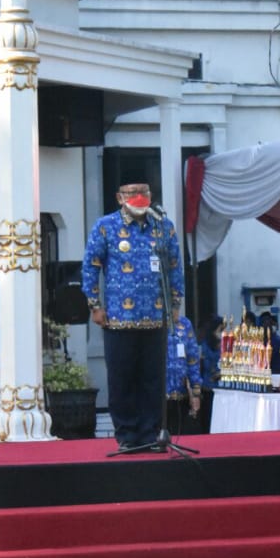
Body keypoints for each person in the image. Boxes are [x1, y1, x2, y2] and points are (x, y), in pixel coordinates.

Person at [81, 182, 184, 450]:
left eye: (145, 194)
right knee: (122, 378)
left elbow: (174, 265)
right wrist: (95, 304)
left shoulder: (163, 226)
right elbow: (91, 266)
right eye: (131, 194)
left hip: (156, 317)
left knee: (153, 378)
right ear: (119, 198)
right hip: (118, 319)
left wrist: (175, 303)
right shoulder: (106, 226)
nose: (139, 198)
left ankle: (151, 435)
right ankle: (127, 435)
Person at [164, 313, 202, 436]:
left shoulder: (185, 324)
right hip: (157, 395)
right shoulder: (154, 322)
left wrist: (196, 392)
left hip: (181, 394)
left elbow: (193, 358)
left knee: (180, 434)